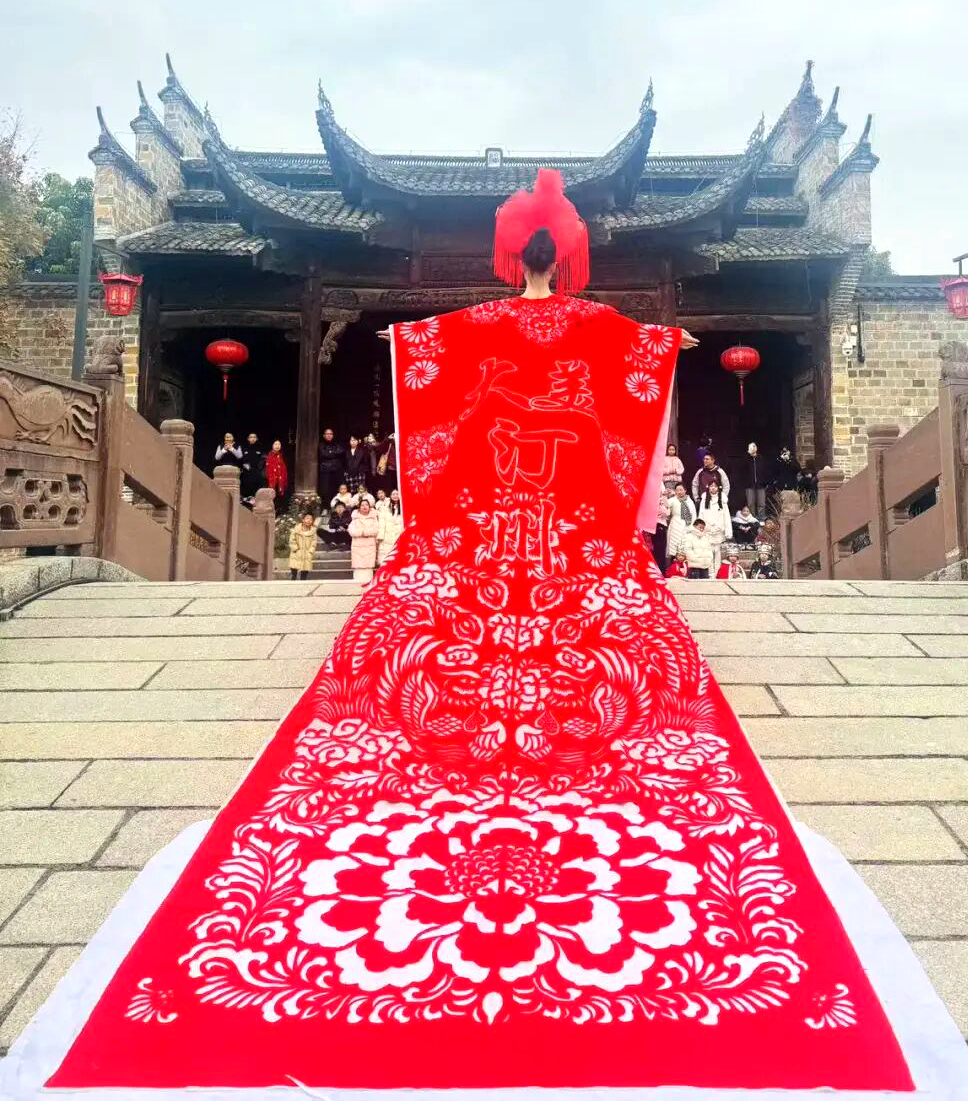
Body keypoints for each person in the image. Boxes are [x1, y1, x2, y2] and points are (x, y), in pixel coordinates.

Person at [47, 170, 931, 1096]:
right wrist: (658, 356)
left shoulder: (470, 328)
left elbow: (426, 368)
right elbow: (638, 376)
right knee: (637, 658)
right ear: (571, 255)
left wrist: (405, 351)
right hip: (575, 547)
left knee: (398, 661)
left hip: (482, 544)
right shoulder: (603, 330)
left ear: (512, 256)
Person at [697, 481, 732, 572]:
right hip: (707, 529)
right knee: (709, 551)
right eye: (711, 486)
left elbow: (726, 515)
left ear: (718, 488)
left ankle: (717, 571)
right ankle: (710, 571)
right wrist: (700, 528)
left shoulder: (722, 500)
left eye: (715, 486)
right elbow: (701, 514)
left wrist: (727, 530)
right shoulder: (704, 500)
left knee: (717, 550)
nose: (713, 488)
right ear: (708, 487)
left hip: (718, 528)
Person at [347, 496, 380, 584]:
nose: (365, 507)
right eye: (362, 505)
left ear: (369, 506)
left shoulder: (373, 518)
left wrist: (365, 532)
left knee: (368, 568)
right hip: (358, 546)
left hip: (369, 546)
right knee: (359, 568)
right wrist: (361, 532)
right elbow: (351, 531)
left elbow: (376, 530)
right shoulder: (355, 519)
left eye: (366, 505)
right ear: (359, 507)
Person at [665, 482, 695, 559]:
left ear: (685, 490)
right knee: (674, 549)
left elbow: (693, 515)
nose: (679, 492)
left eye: (681, 490)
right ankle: (674, 565)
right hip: (675, 526)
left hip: (686, 526)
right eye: (677, 490)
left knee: (685, 549)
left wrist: (692, 528)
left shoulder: (690, 502)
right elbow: (666, 507)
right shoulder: (672, 500)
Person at [317, 428, 344, 512]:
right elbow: (324, 454)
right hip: (325, 471)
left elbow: (341, 452)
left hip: (336, 471)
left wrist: (330, 453)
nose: (329, 435)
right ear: (324, 435)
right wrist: (333, 454)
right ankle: (325, 507)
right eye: (327, 434)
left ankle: (335, 508)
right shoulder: (321, 445)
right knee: (325, 489)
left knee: (335, 488)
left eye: (331, 434)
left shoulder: (336, 444)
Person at [376, 489, 404, 565]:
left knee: (399, 555)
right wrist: (380, 535)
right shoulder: (385, 508)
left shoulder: (403, 507)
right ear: (390, 496)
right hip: (388, 534)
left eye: (397, 494)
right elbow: (382, 522)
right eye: (393, 494)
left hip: (400, 533)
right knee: (387, 555)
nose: (395, 496)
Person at [288, 512, 317, 581]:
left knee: (305, 571)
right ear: (303, 520)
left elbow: (314, 542)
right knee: (294, 570)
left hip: (307, 553)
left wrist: (310, 551)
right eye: (307, 518)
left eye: (311, 519)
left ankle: (303, 582)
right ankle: (293, 581)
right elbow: (292, 540)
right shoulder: (296, 530)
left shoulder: (313, 531)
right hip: (296, 553)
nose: (309, 520)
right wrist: (295, 549)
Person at [239, 432, 265, 504]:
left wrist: (259, 467)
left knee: (257, 488)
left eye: (254, 437)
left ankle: (254, 501)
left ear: (257, 439)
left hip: (256, 472)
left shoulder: (260, 448)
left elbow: (263, 460)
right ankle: (245, 501)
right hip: (246, 473)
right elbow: (240, 460)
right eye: (251, 437)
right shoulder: (244, 448)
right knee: (246, 488)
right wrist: (244, 465)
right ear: (248, 439)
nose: (253, 439)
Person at [264, 439, 288, 515]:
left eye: (279, 444)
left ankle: (278, 513)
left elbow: (283, 470)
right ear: (272, 446)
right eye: (275, 444)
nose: (277, 446)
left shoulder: (281, 456)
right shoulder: (269, 456)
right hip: (271, 481)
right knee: (271, 498)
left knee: (279, 499)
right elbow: (268, 470)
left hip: (280, 482)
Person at [745, 441, 768, 519]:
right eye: (751, 447)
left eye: (754, 446)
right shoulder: (746, 459)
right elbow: (742, 469)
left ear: (756, 448)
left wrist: (765, 482)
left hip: (760, 484)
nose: (753, 448)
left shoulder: (761, 458)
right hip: (749, 484)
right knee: (750, 503)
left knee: (761, 503)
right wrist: (749, 455)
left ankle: (761, 518)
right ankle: (752, 518)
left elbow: (765, 470)